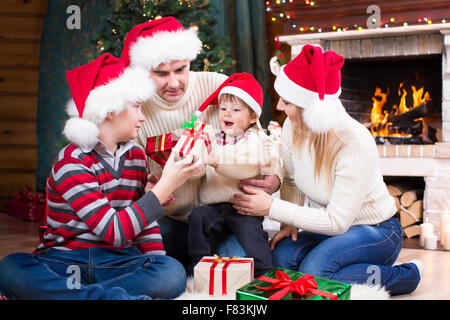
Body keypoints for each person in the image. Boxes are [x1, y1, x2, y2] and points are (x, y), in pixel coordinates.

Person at [0, 53, 203, 300]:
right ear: (110, 110)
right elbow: (114, 230)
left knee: (171, 272)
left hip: (118, 262)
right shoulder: (72, 160)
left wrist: (157, 263)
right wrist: (164, 188)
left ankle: (80, 297)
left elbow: (144, 225)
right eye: (137, 107)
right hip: (64, 261)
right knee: (10, 268)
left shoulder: (136, 157)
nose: (142, 117)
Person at [229, 45, 424, 295]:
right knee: (279, 260)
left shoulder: (354, 141)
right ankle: (347, 265)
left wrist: (271, 207)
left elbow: (337, 221)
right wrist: (289, 224)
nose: (278, 107)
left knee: (315, 273)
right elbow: (290, 180)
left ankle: (406, 275)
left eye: (286, 101)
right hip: (329, 231)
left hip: (377, 230)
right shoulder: (292, 125)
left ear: (309, 108)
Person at [120, 17, 282, 267]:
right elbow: (135, 180)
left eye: (180, 69)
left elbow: (260, 136)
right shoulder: (136, 109)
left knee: (244, 263)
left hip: (227, 215)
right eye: (161, 73)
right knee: (153, 258)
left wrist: (275, 178)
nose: (174, 83)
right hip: (171, 220)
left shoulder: (218, 86)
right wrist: (146, 189)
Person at [187, 73, 282, 276]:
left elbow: (246, 167)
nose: (227, 114)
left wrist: (216, 161)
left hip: (244, 208)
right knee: (198, 217)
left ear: (253, 116)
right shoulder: (211, 137)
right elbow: (199, 170)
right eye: (223, 109)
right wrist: (193, 164)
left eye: (236, 110)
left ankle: (265, 276)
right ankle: (198, 269)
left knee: (252, 237)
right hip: (213, 207)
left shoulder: (257, 140)